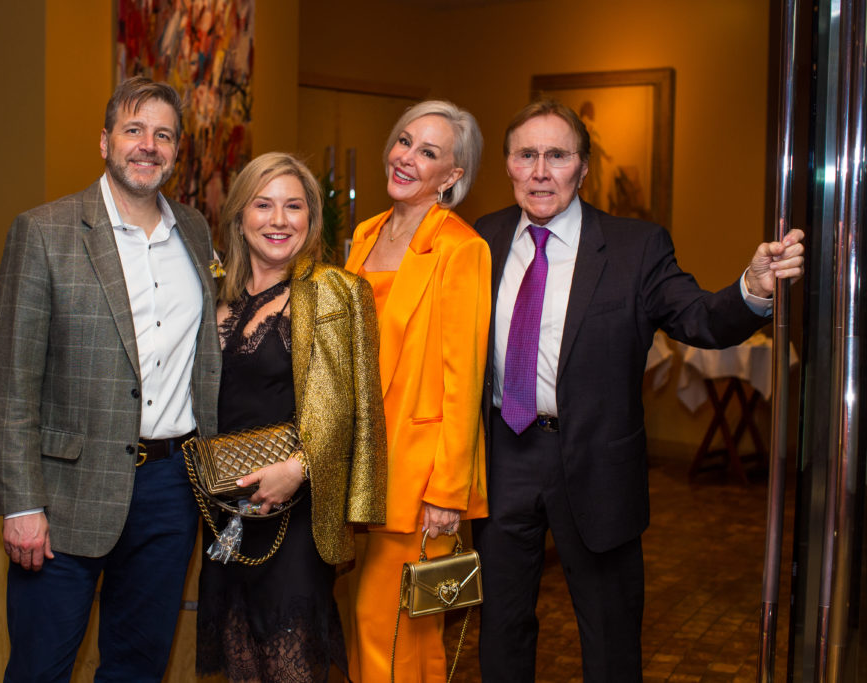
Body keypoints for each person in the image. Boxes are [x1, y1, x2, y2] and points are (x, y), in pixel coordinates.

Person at [471, 98, 806, 681]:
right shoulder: (483, 239)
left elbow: (701, 319)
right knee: (501, 628)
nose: (541, 171)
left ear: (583, 166)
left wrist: (751, 286)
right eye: (527, 155)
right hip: (503, 457)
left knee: (609, 636)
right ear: (507, 164)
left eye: (557, 155)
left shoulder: (634, 247)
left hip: (597, 465)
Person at [0, 76, 220, 681]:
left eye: (163, 135)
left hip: (171, 488)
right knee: (41, 667)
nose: (148, 145)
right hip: (65, 494)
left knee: (138, 667)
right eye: (134, 130)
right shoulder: (45, 232)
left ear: (176, 151)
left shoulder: (194, 230)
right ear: (104, 140)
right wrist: (21, 504)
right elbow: (12, 383)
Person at [195, 152, 387, 682]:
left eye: (293, 207)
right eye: (263, 205)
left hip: (297, 511)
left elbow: (354, 407)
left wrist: (297, 470)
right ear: (239, 216)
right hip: (224, 513)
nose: (278, 220)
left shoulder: (335, 291)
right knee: (240, 663)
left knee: (293, 663)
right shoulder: (215, 295)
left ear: (311, 219)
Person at [344, 100, 491, 682]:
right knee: (367, 626)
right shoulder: (365, 232)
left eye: (428, 152)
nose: (406, 157)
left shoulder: (461, 248)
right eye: (404, 141)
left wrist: (448, 492)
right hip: (358, 471)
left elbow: (465, 380)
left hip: (418, 482)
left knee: (398, 630)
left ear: (452, 176)